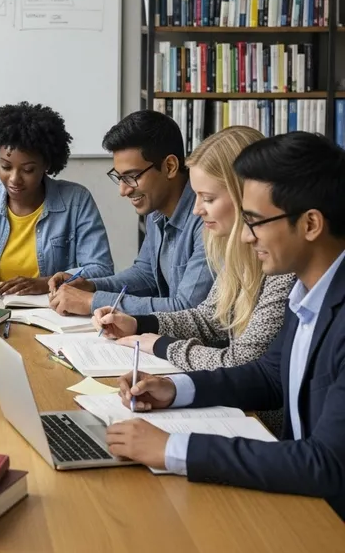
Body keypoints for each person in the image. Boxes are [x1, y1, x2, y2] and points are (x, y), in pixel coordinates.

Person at [108, 131, 345, 520]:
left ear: (311, 224)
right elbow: (270, 376)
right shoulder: (308, 287)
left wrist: (173, 449)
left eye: (254, 221)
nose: (247, 238)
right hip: (301, 495)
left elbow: (326, 463)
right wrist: (174, 389)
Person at [93, 126, 295, 433]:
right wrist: (140, 324)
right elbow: (208, 318)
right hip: (234, 410)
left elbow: (243, 361)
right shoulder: (236, 251)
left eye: (207, 197)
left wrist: (161, 345)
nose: (197, 209)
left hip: (263, 426)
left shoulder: (284, 268)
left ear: (246, 195)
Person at [0, 102, 113, 296]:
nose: (14, 179)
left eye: (28, 170)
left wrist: (44, 284)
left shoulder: (76, 200)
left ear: (46, 164)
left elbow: (101, 269)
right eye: (5, 166)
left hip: (54, 313)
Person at [49, 110, 213, 316]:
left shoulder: (209, 219)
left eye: (132, 176)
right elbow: (145, 276)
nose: (123, 190)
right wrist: (90, 286)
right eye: (119, 178)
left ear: (170, 166)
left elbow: (187, 310)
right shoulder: (157, 209)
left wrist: (92, 301)